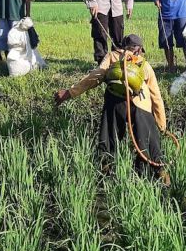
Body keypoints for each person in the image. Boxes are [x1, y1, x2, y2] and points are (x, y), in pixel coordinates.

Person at [54, 34, 169, 185]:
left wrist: (70, 92)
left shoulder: (112, 57)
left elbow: (94, 77)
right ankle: (158, 174)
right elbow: (156, 97)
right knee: (149, 143)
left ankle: (105, 173)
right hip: (141, 106)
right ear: (139, 49)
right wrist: (162, 125)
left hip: (115, 104)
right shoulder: (144, 64)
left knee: (108, 140)